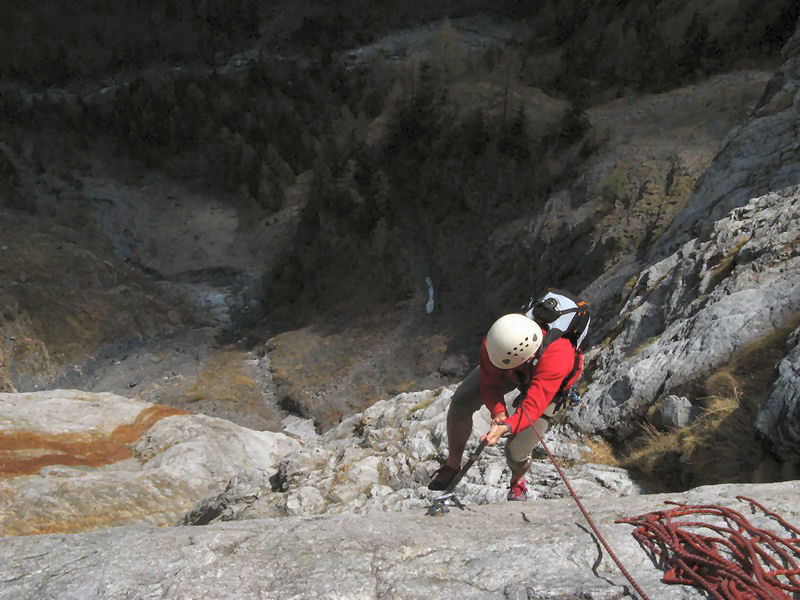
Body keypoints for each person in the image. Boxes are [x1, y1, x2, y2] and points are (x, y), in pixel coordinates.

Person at [428, 311, 577, 501]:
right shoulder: (497, 341)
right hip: (515, 369)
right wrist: (498, 412)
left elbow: (532, 408)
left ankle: (518, 481)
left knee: (515, 451)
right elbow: (489, 382)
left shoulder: (558, 354)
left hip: (549, 385)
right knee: (461, 402)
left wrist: (506, 427)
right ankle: (452, 465)